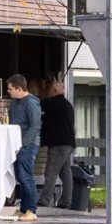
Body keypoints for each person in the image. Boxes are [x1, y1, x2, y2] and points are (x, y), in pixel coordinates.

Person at [4, 74, 42, 221]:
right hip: (16, 145)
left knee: (26, 177)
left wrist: (24, 144)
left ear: (19, 88)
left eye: (10, 89)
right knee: (20, 176)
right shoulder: (15, 102)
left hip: (28, 145)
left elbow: (35, 126)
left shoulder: (31, 103)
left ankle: (31, 210)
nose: (8, 91)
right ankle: (24, 209)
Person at [39, 80, 76, 208]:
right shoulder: (68, 105)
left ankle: (44, 200)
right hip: (69, 143)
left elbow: (39, 105)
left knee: (51, 171)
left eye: (49, 89)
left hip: (58, 143)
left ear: (53, 90)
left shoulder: (52, 103)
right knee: (66, 172)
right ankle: (66, 201)